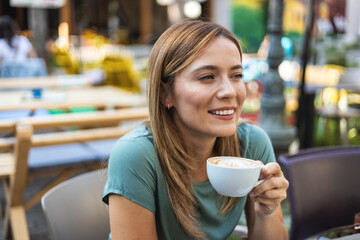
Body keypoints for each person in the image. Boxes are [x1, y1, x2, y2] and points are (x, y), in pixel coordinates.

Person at [102, 19, 289, 240]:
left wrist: (267, 212)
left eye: (236, 75)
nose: (229, 91)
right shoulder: (135, 155)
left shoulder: (252, 144)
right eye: (207, 77)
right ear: (166, 93)